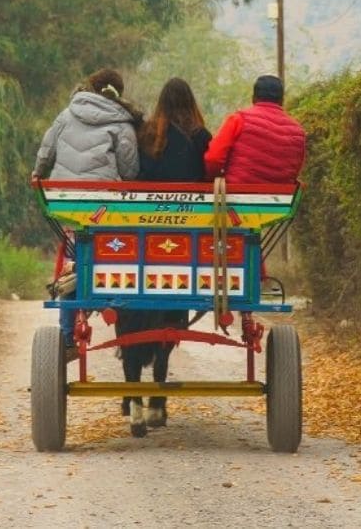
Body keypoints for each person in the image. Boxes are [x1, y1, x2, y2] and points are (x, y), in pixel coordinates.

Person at [116, 77, 211, 431]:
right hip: (187, 240)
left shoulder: (146, 134)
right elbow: (209, 176)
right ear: (190, 101)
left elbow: (134, 174)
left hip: (143, 235)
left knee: (130, 309)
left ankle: (135, 402)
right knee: (175, 308)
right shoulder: (200, 136)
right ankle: (157, 399)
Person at [31, 68, 142, 358]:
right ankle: (124, 329)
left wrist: (38, 173)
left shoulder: (67, 114)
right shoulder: (122, 124)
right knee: (119, 257)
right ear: (119, 93)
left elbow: (46, 151)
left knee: (74, 263)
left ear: (90, 87)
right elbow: (130, 171)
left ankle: (68, 337)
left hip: (69, 205)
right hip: (105, 209)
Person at [203, 74, 305, 184]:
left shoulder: (238, 119)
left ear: (253, 98)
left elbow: (213, 158)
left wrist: (214, 178)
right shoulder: (298, 132)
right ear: (281, 100)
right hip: (280, 194)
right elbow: (294, 171)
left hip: (237, 191)